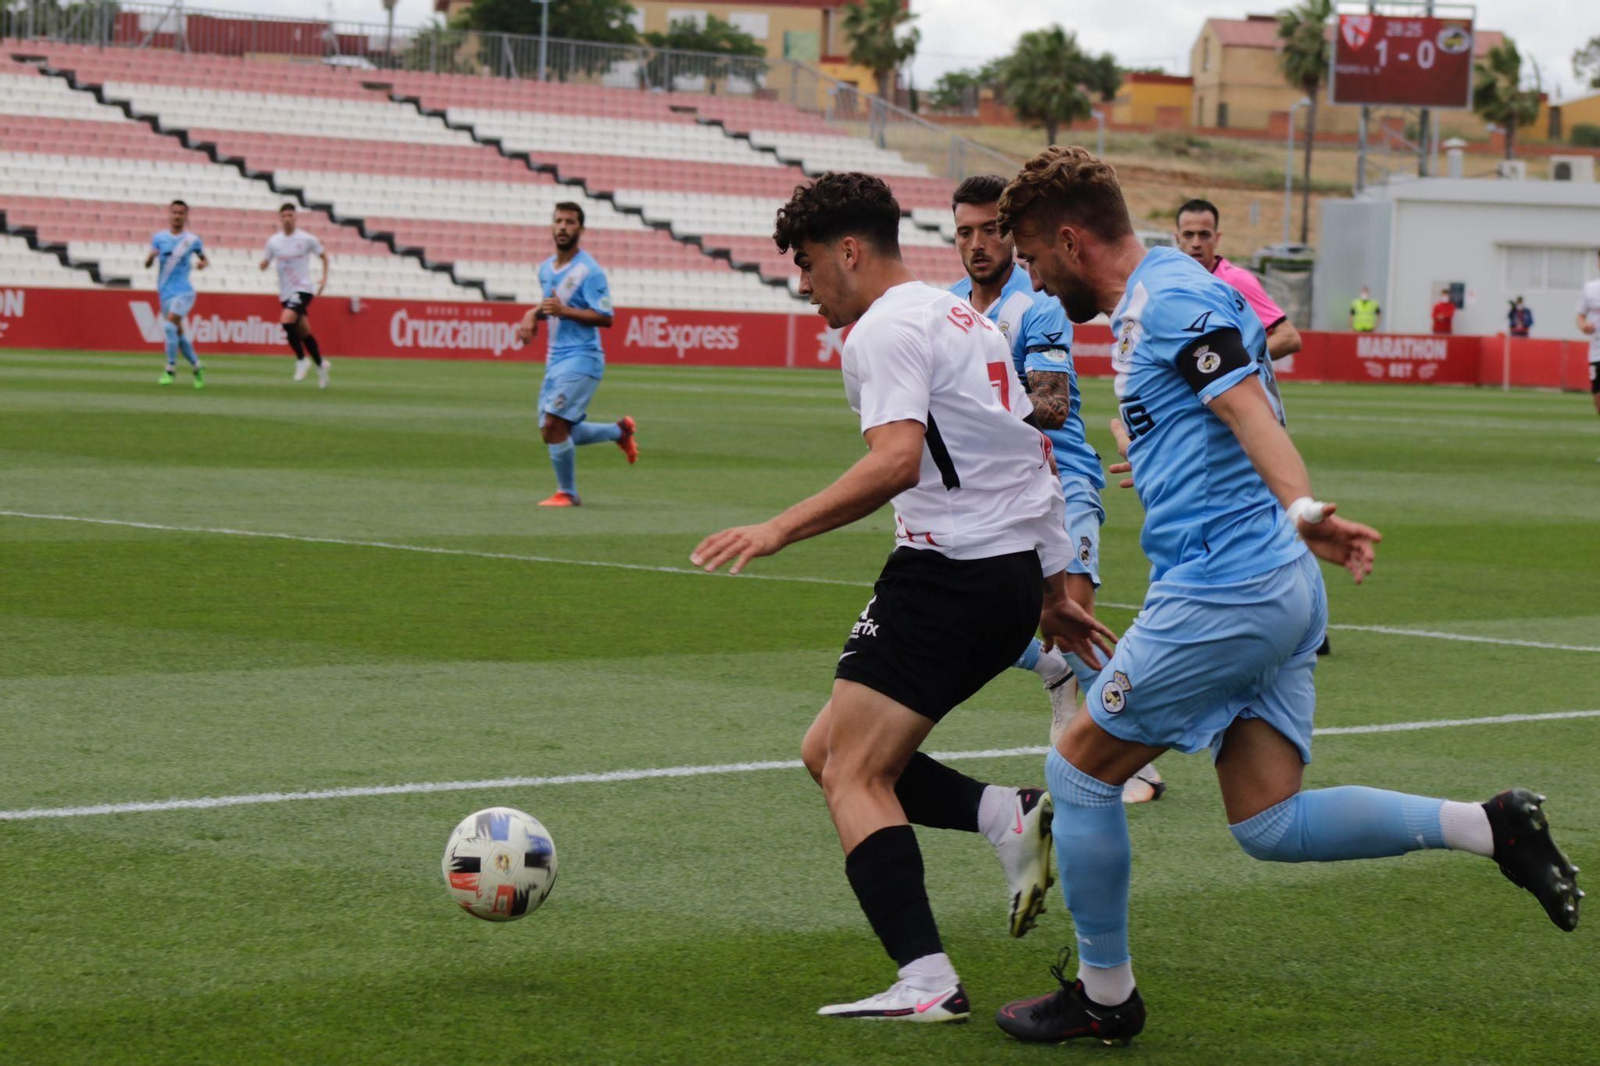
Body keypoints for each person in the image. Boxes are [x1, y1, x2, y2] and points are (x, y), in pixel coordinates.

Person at [991, 145, 1581, 1046]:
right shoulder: (1177, 295)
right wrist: (1159, 457)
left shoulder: (1172, 299)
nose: (1030, 275)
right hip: (1276, 588)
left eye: (1031, 256)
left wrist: (1303, 506)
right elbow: (1230, 404)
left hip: (1224, 591)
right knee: (1270, 820)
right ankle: (1489, 826)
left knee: (1077, 770)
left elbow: (1249, 412)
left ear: (1071, 239)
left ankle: (1107, 998)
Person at [690, 172, 1116, 1024]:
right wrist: (1043, 593)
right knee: (829, 750)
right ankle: (1009, 816)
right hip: (997, 575)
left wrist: (776, 528)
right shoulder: (959, 314)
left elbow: (894, 462)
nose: (801, 285)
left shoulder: (882, 330)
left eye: (807, 264)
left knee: (852, 770)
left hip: (946, 575)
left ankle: (926, 981)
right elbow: (1027, 458)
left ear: (850, 250)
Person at [950, 174, 1164, 805]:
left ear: (1013, 234)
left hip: (1062, 483)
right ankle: (1057, 679)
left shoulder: (1038, 302)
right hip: (991, 496)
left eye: (992, 229)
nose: (979, 243)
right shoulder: (950, 306)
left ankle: (1135, 758)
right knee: (971, 619)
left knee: (1074, 625)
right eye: (966, 232)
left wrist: (962, 412)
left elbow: (1052, 402)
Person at [516, 202, 637, 507]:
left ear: (580, 230)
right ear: (552, 227)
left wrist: (563, 311)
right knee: (554, 431)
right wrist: (532, 315)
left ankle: (567, 493)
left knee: (554, 427)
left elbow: (606, 317)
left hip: (583, 358)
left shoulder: (590, 271)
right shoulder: (546, 269)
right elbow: (550, 307)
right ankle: (618, 431)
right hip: (555, 359)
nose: (563, 227)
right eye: (558, 221)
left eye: (570, 222)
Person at [1174, 199, 1302, 360]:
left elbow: (1289, 338)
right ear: (1177, 238)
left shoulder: (1236, 281)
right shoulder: (1168, 281)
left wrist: (1234, 363)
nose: (1196, 243)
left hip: (1226, 383)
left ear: (1217, 238)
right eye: (1188, 234)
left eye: (1204, 235)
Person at [260, 204, 331, 389]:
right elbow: (266, 259)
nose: (287, 219)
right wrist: (263, 264)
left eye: (290, 215)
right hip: (285, 292)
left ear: (295, 217)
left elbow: (324, 256)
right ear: (279, 218)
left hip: (303, 289)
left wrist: (324, 278)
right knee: (304, 332)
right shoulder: (274, 242)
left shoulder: (306, 239)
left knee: (286, 320)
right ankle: (321, 365)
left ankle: (301, 360)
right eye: (284, 215)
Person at [145, 199, 207, 389]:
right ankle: (197, 367)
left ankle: (170, 369)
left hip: (185, 292)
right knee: (179, 336)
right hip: (165, 293)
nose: (178, 216)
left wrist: (202, 264)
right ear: (169, 214)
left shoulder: (192, 240)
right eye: (175, 213)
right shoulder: (159, 238)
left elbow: (204, 259)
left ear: (186, 216)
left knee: (170, 327)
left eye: (181, 213)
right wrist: (150, 257)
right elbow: (147, 265)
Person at [1576, 251, 1600, 430]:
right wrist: (1583, 325)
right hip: (1597, 351)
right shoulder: (1590, 288)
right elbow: (1580, 316)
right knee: (1598, 400)